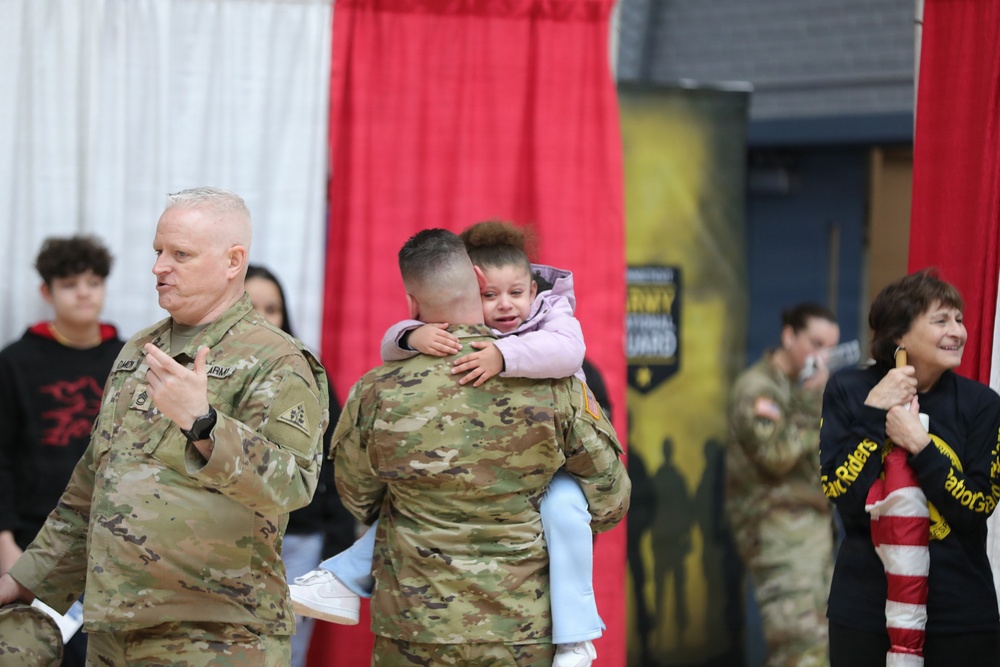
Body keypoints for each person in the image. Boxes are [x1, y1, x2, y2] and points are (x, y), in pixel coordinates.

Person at [0, 187, 330, 666]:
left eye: (180, 254)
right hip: (113, 628)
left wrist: (204, 423)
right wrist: (26, 579)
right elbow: (91, 488)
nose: (159, 267)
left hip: (214, 637)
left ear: (233, 261)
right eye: (158, 251)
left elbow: (292, 485)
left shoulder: (277, 360)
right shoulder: (138, 350)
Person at [295, 228, 630, 666]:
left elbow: (358, 496)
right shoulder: (555, 386)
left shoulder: (377, 389)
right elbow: (610, 499)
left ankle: (341, 578)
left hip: (415, 626)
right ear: (478, 281)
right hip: (520, 630)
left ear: (413, 303)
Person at [820, 269, 1000, 666]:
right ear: (899, 335)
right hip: (865, 612)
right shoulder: (849, 390)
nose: (957, 331)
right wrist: (875, 410)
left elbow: (975, 508)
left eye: (959, 319)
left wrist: (921, 446)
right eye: (941, 320)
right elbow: (842, 494)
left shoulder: (982, 404)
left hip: (958, 616)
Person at [0, 235, 124, 666]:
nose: (84, 293)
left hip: (116, 535)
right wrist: (5, 540)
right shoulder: (15, 362)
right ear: (46, 291)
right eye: (70, 284)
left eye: (94, 282)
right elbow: (1, 457)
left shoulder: (128, 359)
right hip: (36, 537)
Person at [245, 264, 355, 667]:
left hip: (298, 542)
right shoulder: (206, 372)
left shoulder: (308, 371)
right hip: (223, 539)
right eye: (251, 307)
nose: (263, 318)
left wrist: (337, 543)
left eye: (272, 309)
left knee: (285, 654)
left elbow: (338, 457)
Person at [726, 302, 841, 667]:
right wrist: (811, 400)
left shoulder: (796, 387)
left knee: (821, 646)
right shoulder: (759, 388)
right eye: (816, 344)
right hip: (779, 535)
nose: (823, 357)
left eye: (830, 348)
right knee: (800, 650)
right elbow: (776, 455)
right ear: (789, 336)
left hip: (811, 535)